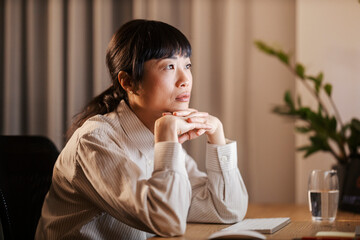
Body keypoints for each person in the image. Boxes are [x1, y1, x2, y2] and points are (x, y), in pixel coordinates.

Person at [36, 19, 248, 240]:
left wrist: (218, 137)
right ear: (128, 82)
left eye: (187, 65)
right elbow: (168, 222)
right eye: (169, 66)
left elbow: (226, 211)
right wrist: (167, 140)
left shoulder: (154, 135)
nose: (185, 80)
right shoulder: (95, 141)